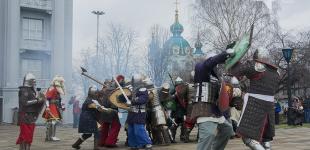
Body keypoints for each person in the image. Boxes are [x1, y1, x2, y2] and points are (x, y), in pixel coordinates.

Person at [230, 48, 280, 150]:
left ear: (256, 56)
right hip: (269, 108)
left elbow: (237, 72)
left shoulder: (256, 66)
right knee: (265, 140)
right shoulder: (275, 71)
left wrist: (235, 59)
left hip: (255, 105)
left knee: (248, 138)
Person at [190, 49, 235, 150]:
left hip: (215, 109)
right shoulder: (201, 69)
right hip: (203, 108)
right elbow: (210, 63)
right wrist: (225, 54)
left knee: (227, 130)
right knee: (208, 135)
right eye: (215, 63)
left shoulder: (216, 77)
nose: (216, 66)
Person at [16, 73, 45, 150]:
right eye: (33, 81)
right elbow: (24, 103)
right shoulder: (23, 90)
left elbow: (35, 101)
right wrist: (37, 100)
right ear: (29, 81)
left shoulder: (32, 91)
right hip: (25, 115)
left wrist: (41, 100)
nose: (34, 82)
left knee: (29, 135)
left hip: (31, 115)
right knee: (25, 135)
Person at [126, 74, 152, 150]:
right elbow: (125, 97)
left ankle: (147, 143)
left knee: (139, 129)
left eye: (135, 80)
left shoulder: (143, 89)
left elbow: (143, 99)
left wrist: (132, 101)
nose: (134, 82)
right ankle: (134, 145)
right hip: (131, 112)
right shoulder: (130, 89)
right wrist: (121, 98)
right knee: (130, 130)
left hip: (139, 112)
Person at [98, 77, 122, 148]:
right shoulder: (115, 91)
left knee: (105, 126)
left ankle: (102, 142)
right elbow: (114, 103)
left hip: (104, 110)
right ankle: (110, 142)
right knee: (116, 126)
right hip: (111, 110)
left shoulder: (106, 90)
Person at [42, 75, 65, 141]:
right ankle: (51, 136)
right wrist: (48, 107)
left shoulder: (58, 89)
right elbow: (47, 98)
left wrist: (62, 106)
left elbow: (59, 99)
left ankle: (49, 136)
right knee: (52, 121)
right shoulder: (52, 88)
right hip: (51, 106)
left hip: (55, 106)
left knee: (52, 121)